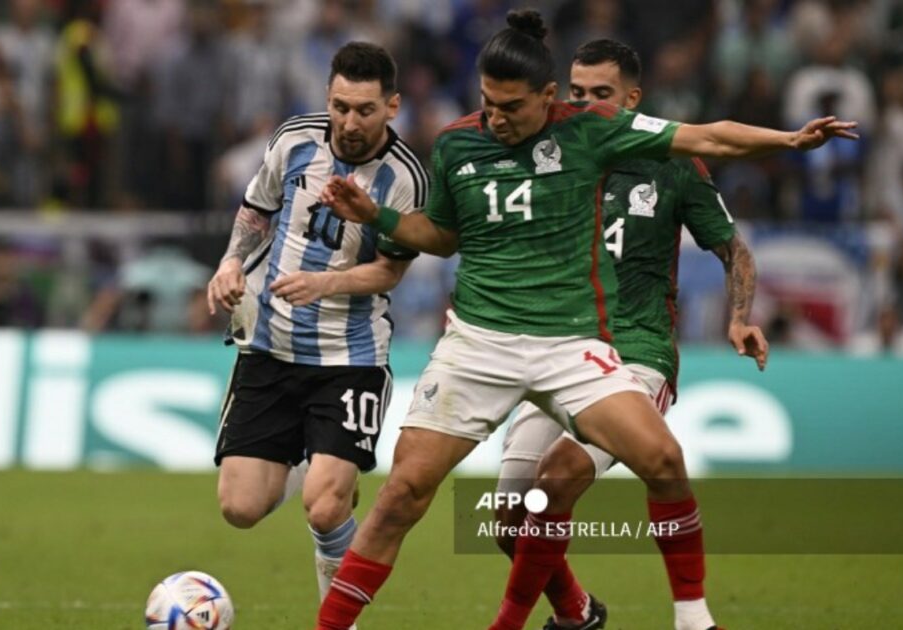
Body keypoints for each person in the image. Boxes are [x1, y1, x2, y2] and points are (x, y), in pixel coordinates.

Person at [314, 10, 855, 630]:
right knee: (404, 495)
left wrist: (788, 141)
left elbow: (710, 137)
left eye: (511, 106)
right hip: (477, 343)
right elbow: (439, 235)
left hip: (572, 344)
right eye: (487, 102)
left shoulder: (593, 133)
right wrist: (376, 215)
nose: (496, 117)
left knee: (663, 460)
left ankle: (694, 619)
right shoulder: (459, 144)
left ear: (547, 98)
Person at [493, 38, 766, 630]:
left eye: (602, 94)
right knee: (509, 520)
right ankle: (577, 613)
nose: (586, 105)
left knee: (558, 478)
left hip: (635, 355)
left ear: (633, 99)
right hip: (559, 350)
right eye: (577, 93)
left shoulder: (671, 163)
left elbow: (733, 249)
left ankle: (688, 617)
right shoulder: (546, 153)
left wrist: (740, 316)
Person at [206, 41, 427, 620]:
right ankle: (317, 460)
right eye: (340, 106)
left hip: (349, 355)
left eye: (364, 110)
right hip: (270, 346)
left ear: (392, 106)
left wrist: (324, 284)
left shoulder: (404, 179)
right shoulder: (295, 139)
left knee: (326, 508)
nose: (349, 122)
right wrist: (230, 263)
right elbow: (257, 210)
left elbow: (392, 271)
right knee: (240, 507)